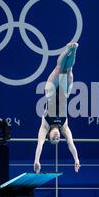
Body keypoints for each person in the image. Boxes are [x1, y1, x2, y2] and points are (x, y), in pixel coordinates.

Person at [34, 42, 80, 174]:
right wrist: (76, 159)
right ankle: (74, 50)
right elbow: (71, 144)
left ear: (48, 136)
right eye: (58, 139)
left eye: (53, 138)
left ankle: (67, 50)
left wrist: (37, 160)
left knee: (59, 69)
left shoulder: (45, 126)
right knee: (69, 71)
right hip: (64, 94)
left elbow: (40, 144)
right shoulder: (64, 127)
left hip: (51, 92)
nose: (56, 137)